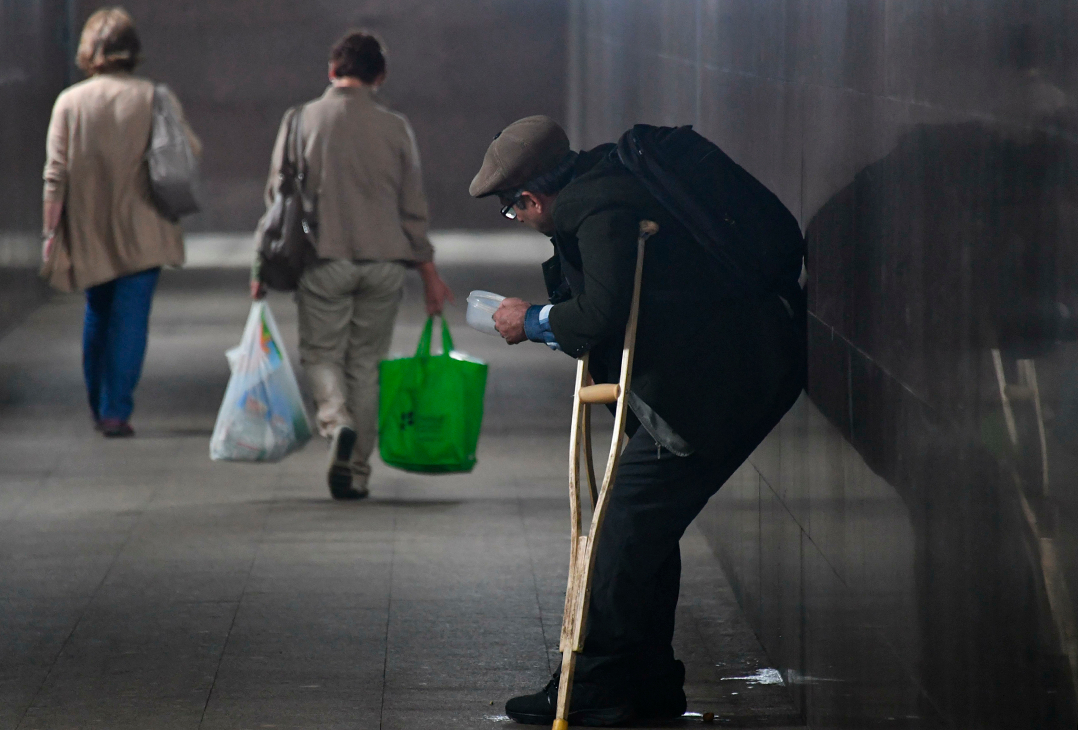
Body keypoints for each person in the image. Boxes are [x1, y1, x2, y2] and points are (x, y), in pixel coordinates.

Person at [469, 116, 805, 725]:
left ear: (531, 198)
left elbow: (601, 309)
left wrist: (535, 321)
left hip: (720, 387)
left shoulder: (595, 209)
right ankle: (645, 682)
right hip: (724, 372)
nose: (520, 221)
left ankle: (597, 683)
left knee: (620, 530)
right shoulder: (606, 180)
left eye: (513, 212)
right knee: (640, 530)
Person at [252, 31, 453, 500]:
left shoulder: (300, 120)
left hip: (324, 259)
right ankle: (358, 472)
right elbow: (413, 207)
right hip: (385, 262)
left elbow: (276, 200)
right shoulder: (396, 127)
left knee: (322, 353)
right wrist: (429, 275)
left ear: (331, 71)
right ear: (379, 77)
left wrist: (261, 269)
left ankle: (335, 421)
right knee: (366, 364)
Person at [42, 6, 200, 438]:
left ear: (89, 50)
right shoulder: (153, 97)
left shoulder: (70, 103)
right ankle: (116, 410)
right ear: (133, 51)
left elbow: (55, 175)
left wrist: (50, 231)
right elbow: (188, 153)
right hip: (145, 224)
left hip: (89, 225)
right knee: (131, 319)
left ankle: (98, 403)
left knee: (97, 312)